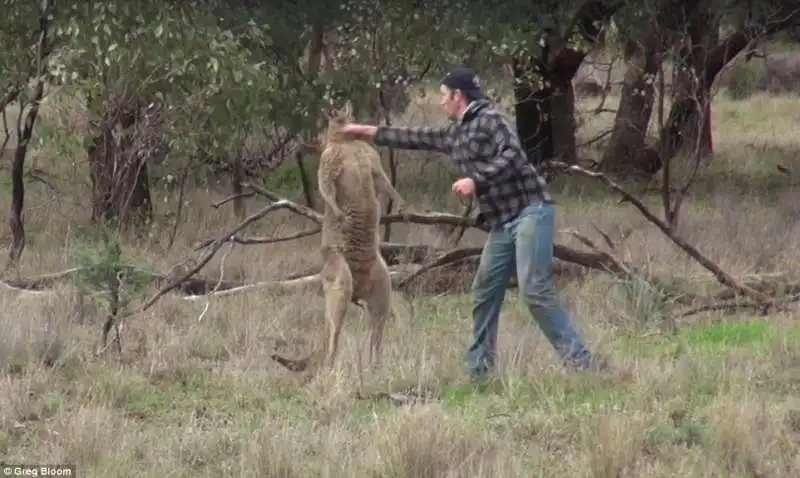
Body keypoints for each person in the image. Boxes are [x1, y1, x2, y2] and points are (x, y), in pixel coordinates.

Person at [340, 66, 595, 377]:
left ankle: (582, 364)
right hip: (502, 222)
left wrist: (476, 180)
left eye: (445, 96)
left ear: (459, 97)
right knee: (485, 291)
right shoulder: (456, 131)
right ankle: (480, 371)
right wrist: (367, 132)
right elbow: (417, 137)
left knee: (534, 290)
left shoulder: (491, 119)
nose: (441, 102)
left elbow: (513, 156)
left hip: (531, 211)